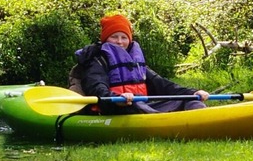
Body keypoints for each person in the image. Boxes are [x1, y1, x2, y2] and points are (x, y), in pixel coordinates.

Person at [74, 13, 209, 114]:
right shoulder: (97, 60)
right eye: (114, 37)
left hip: (141, 105)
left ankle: (203, 119)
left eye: (124, 37)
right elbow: (96, 87)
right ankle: (164, 123)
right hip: (116, 108)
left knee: (189, 99)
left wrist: (192, 92)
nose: (120, 41)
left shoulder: (134, 61)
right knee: (135, 105)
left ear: (130, 39)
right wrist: (118, 99)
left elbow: (161, 84)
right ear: (105, 39)